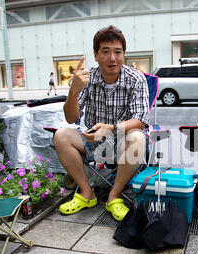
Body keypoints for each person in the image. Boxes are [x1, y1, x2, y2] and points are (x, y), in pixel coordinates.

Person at [53, 25, 149, 221]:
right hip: (94, 140)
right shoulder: (87, 79)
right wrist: (73, 91)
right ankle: (87, 193)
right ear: (95, 55)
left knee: (138, 137)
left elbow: (140, 120)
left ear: (124, 54)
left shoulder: (136, 79)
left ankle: (114, 197)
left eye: (118, 52)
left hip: (123, 142)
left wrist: (111, 128)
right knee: (61, 135)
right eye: (105, 51)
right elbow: (71, 118)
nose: (112, 58)